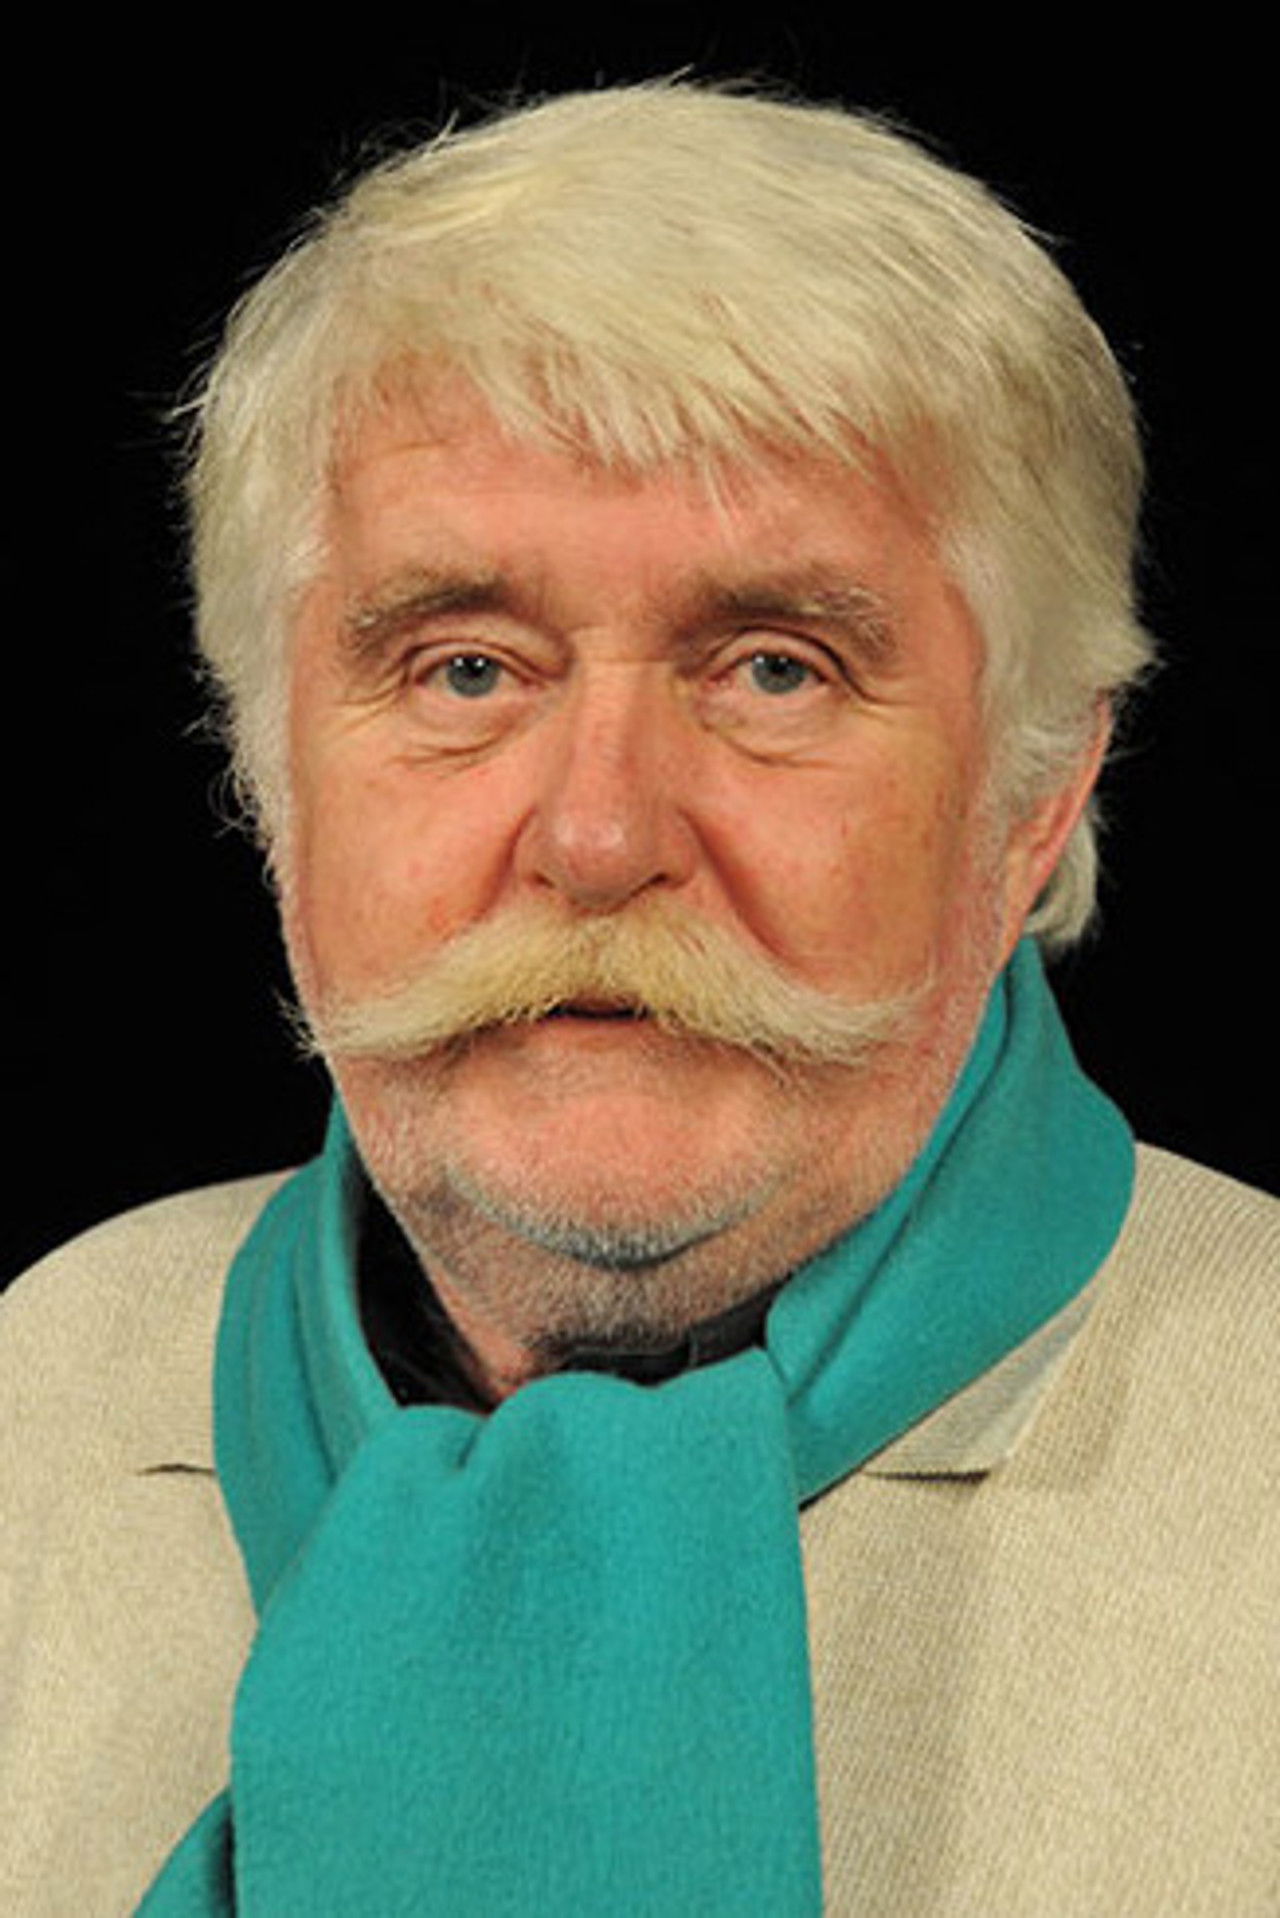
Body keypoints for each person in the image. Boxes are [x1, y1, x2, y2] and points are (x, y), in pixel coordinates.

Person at [1, 81, 1275, 1916]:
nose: (598, 837)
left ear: (1034, 798)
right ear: (272, 775)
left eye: (774, 668)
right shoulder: (40, 1383)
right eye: (462, 668)